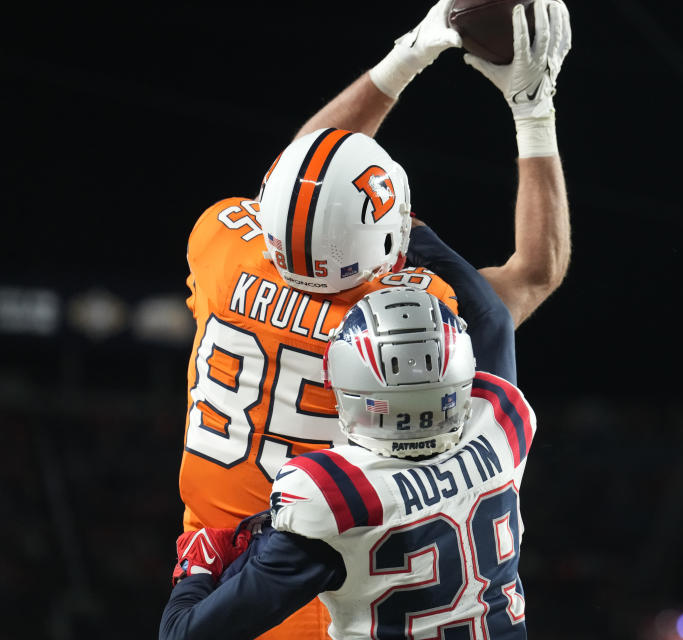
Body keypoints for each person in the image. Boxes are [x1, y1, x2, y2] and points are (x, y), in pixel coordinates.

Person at [176, 0, 571, 635]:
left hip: (218, 560)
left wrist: (409, 51)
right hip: (337, 576)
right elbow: (533, 274)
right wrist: (534, 109)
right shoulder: (415, 318)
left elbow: (299, 176)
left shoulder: (221, 243)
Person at [161, 287, 537, 639]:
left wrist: (196, 570)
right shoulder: (504, 421)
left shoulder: (339, 499)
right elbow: (495, 318)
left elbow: (182, 632)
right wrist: (428, 243)